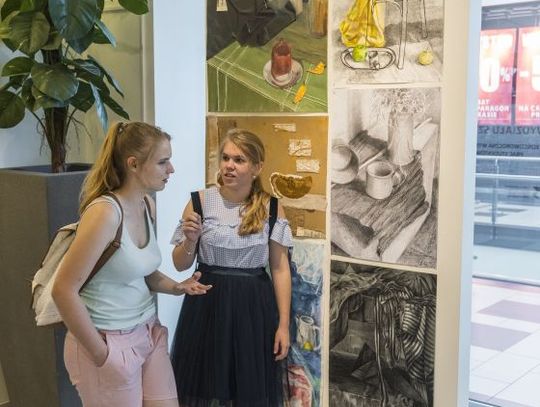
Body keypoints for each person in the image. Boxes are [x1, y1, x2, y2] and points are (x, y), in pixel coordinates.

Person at [52, 121, 211, 407]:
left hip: (147, 332)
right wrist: (102, 355)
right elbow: (63, 290)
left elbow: (142, 272)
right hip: (108, 341)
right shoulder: (104, 213)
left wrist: (177, 287)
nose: (171, 169)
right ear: (133, 164)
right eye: (163, 162)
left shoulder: (146, 205)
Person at [170, 128, 293, 407]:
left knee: (248, 387)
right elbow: (180, 264)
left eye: (239, 160)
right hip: (206, 304)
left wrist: (284, 325)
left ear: (257, 167)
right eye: (225, 158)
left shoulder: (272, 207)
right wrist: (190, 240)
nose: (229, 165)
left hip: (253, 308)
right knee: (204, 385)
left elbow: (280, 269)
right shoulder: (200, 201)